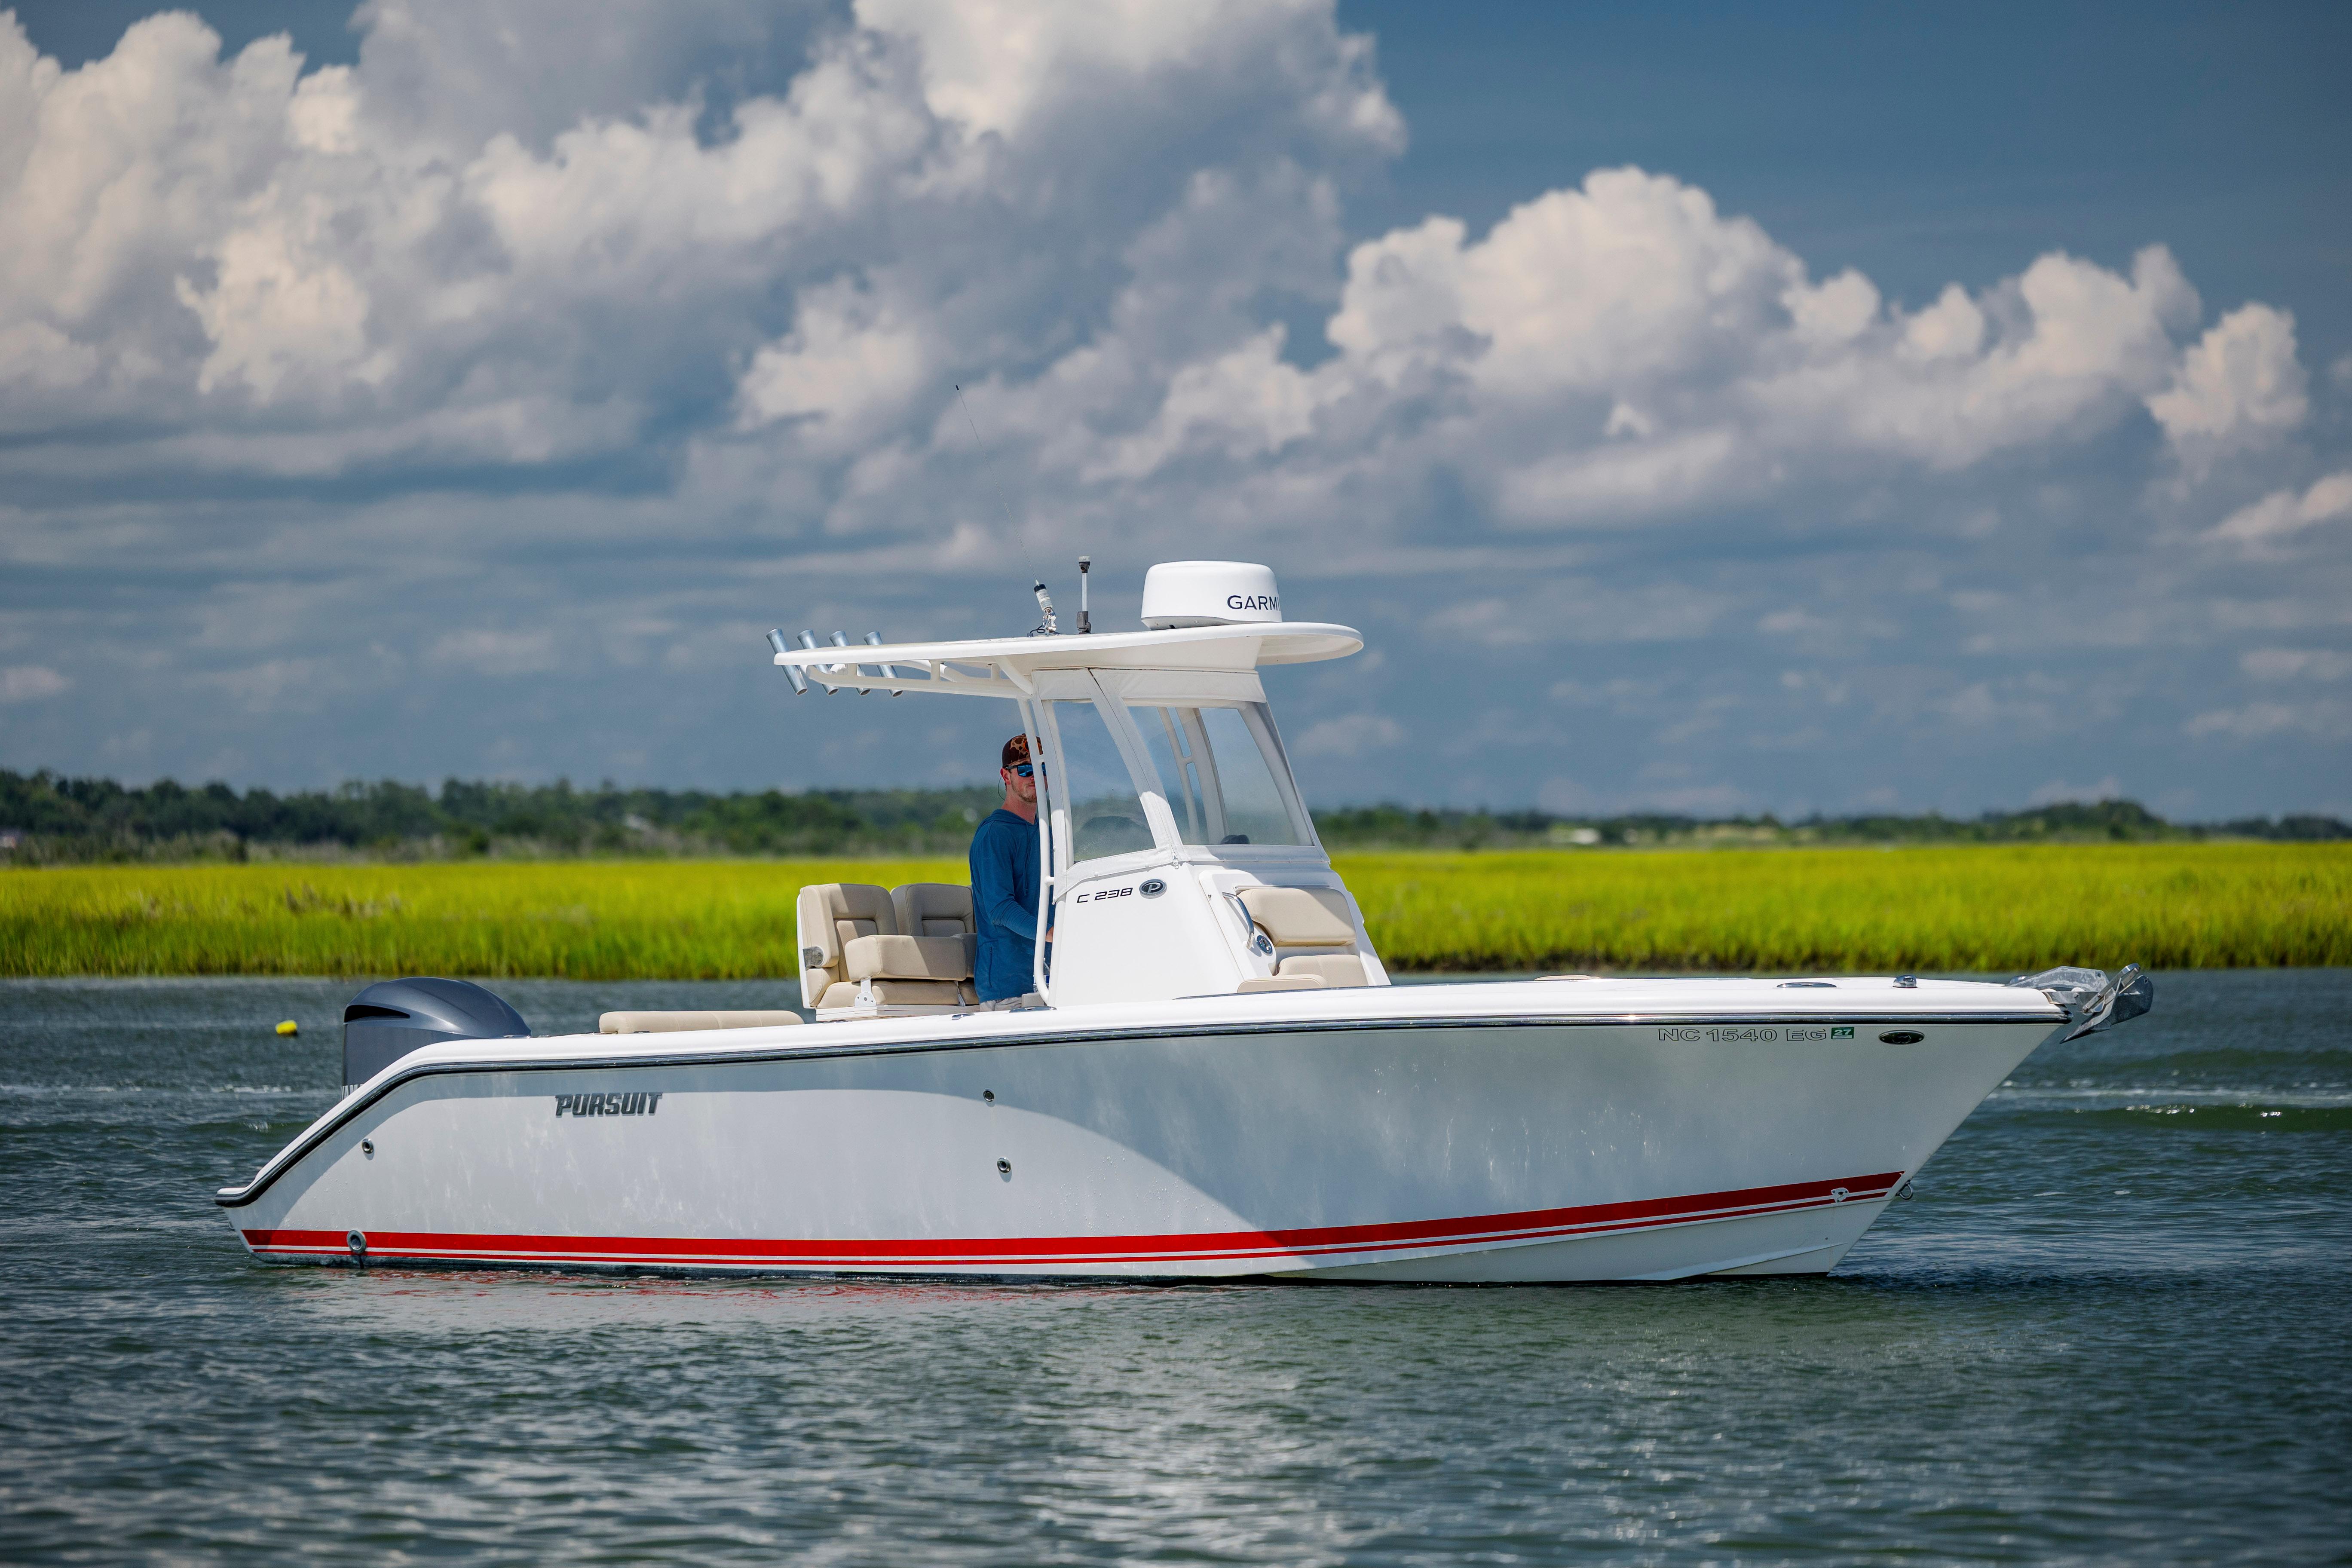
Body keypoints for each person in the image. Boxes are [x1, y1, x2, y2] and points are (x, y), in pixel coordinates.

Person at [969, 733, 1049, 1004]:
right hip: (1007, 989)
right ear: (1006, 776)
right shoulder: (995, 834)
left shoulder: (1049, 833)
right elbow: (1000, 908)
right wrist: (1053, 933)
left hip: (1051, 982)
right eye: (1026, 770)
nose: (1035, 777)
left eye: (1043, 768)